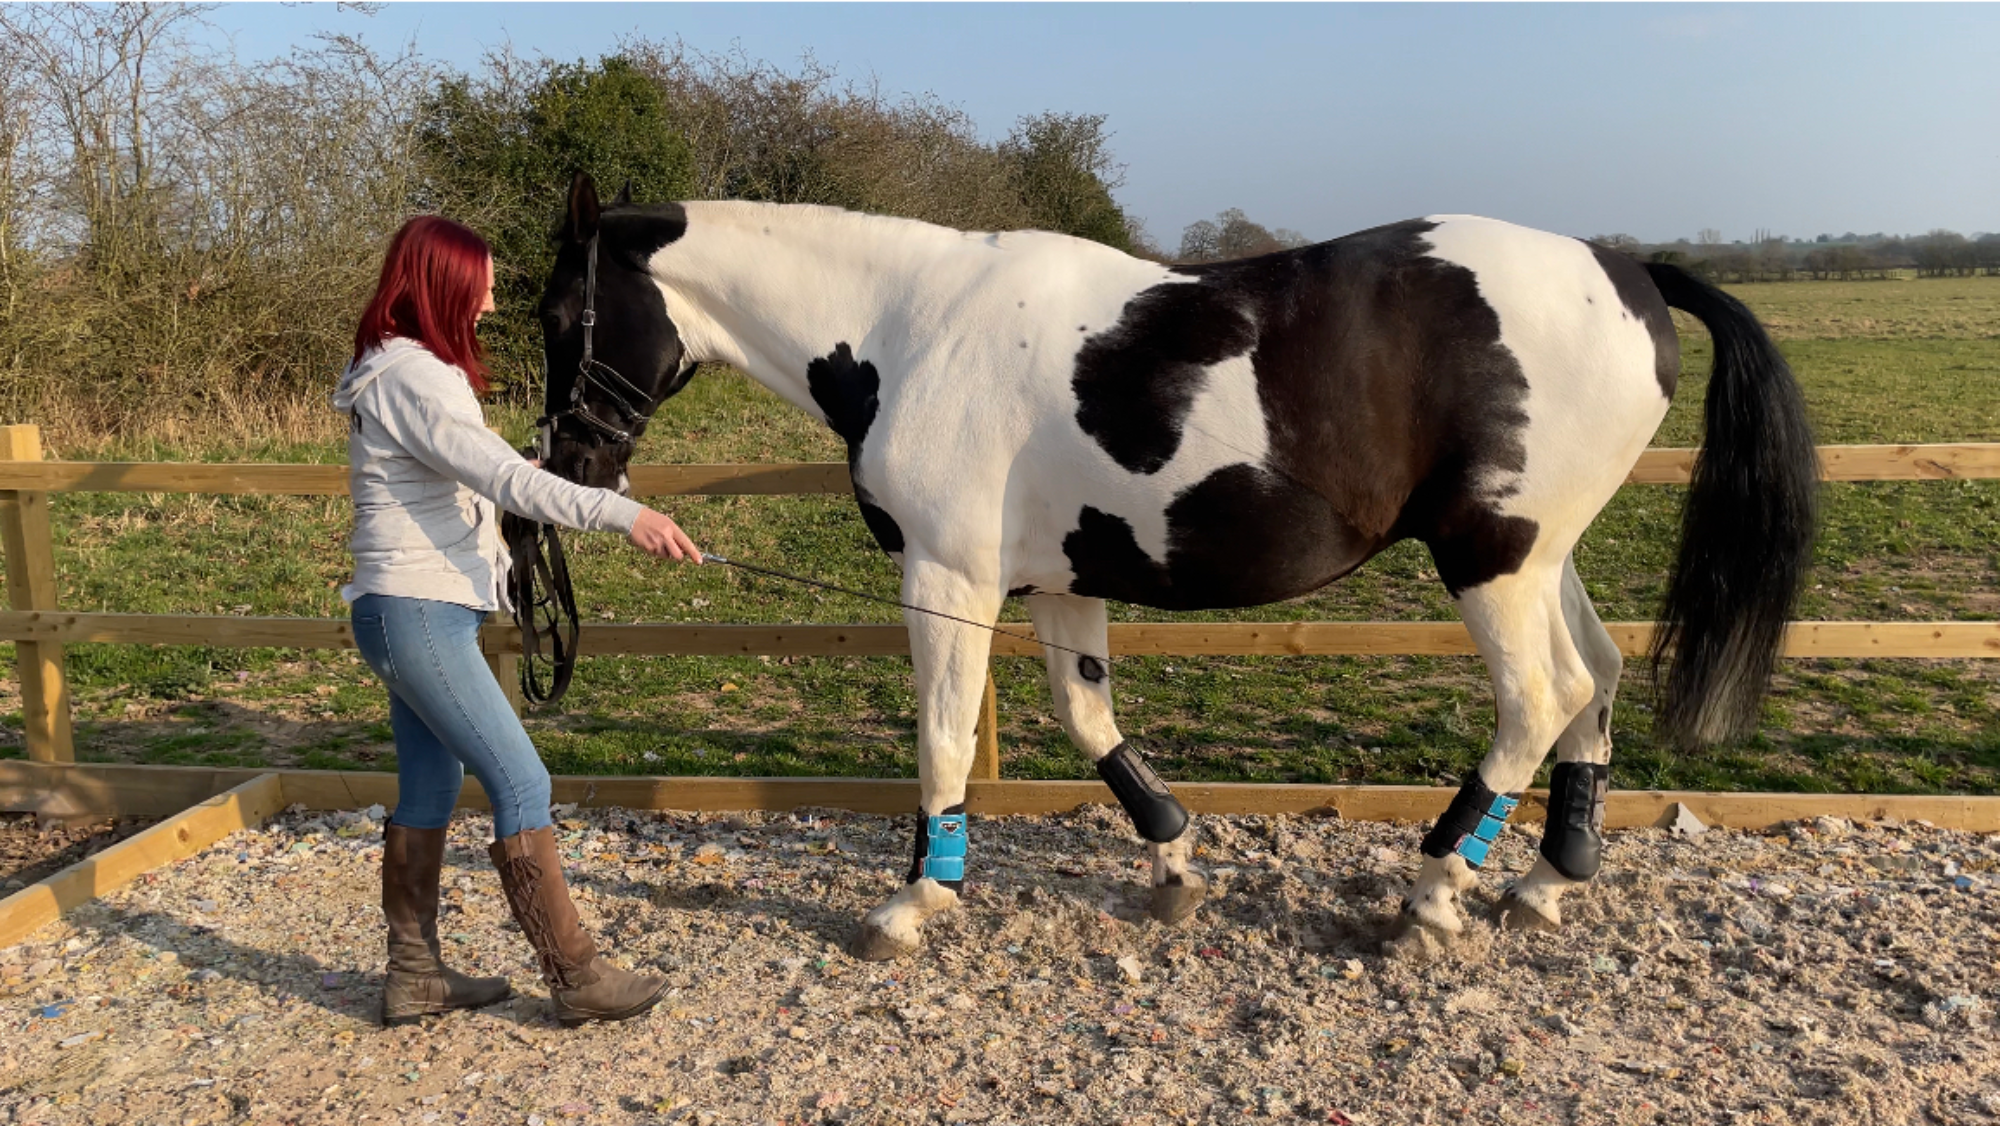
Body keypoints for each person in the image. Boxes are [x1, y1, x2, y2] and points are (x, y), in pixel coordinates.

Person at [332, 215, 701, 1027]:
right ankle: (576, 977)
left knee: (429, 783)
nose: (495, 296)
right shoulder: (416, 377)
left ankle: (416, 975)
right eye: (485, 279)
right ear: (447, 282)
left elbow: (473, 472)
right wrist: (618, 513)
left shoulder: (397, 370)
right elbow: (498, 475)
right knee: (522, 779)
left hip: (411, 611)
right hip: (418, 610)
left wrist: (521, 478)